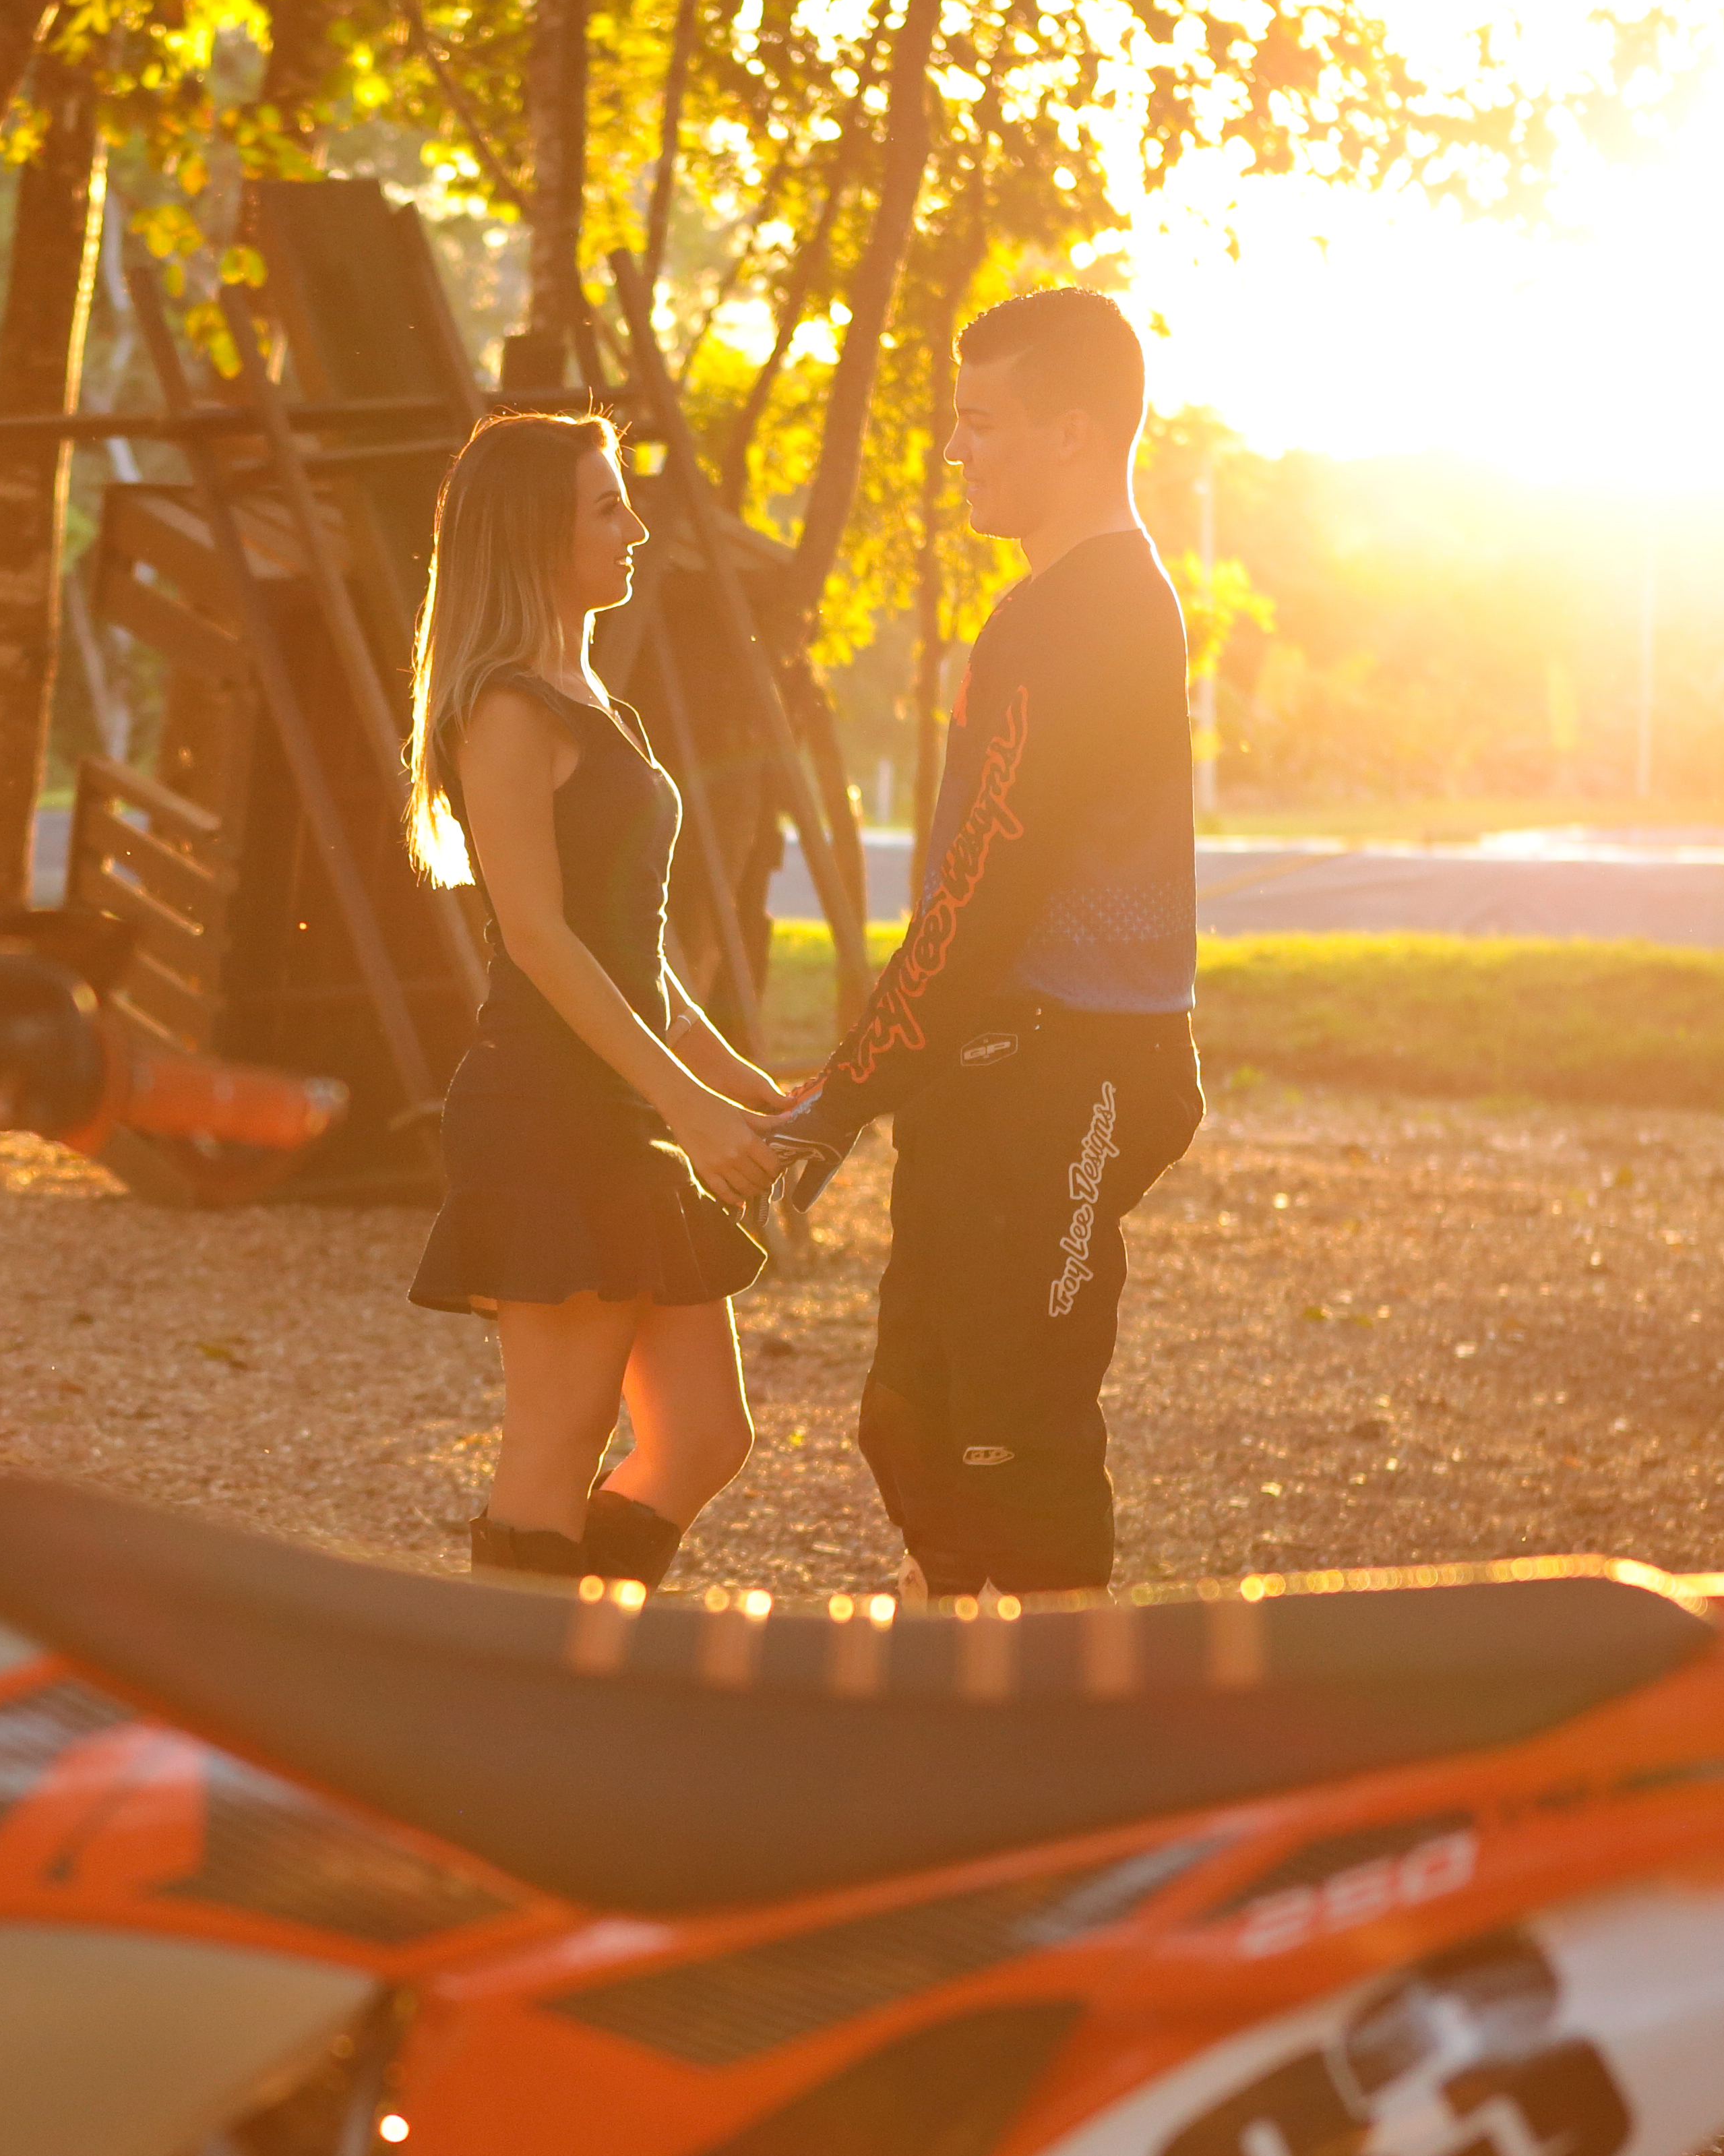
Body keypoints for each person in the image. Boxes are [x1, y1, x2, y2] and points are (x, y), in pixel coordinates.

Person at [764, 286, 1204, 1599]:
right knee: (910, 1420)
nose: (955, 451)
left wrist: (845, 1094)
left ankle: (1068, 1753)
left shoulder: (1091, 616)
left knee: (1017, 1443)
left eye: (981, 424)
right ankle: (968, 1710)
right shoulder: (1047, 611)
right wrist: (876, 1084)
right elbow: (976, 891)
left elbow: (984, 890)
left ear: (1074, 435)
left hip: (1072, 1077)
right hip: (993, 1069)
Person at [404, 412, 786, 1588]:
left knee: (704, 1437)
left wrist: (746, 1088)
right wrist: (691, 1110)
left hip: (615, 1110)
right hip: (544, 1112)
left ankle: (571, 1649)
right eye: (607, 506)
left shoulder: (591, 702)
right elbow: (539, 940)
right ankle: (502, 1727)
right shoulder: (508, 710)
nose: (636, 528)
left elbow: (636, 951)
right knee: (556, 1445)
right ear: (534, 535)